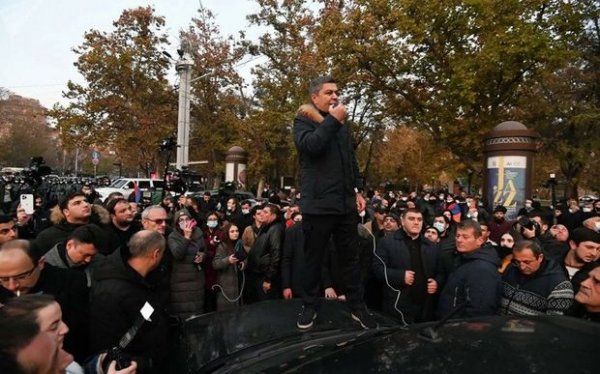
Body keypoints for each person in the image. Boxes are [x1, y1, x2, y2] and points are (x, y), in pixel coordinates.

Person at [293, 75, 375, 330]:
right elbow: (312, 146)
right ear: (315, 97)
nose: (335, 96)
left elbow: (350, 160)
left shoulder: (342, 125)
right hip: (318, 204)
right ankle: (310, 305)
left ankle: (357, 306)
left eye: (336, 92)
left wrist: (358, 190)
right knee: (313, 259)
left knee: (350, 258)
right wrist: (332, 121)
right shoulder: (302, 121)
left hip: (344, 204)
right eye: (329, 92)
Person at [90, 230, 170, 373]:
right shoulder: (111, 292)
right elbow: (107, 343)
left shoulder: (147, 278)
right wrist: (140, 363)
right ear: (156, 254)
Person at [0, 239, 90, 361]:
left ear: (40, 263)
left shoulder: (71, 283)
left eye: (21, 277)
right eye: (4, 279)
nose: (12, 286)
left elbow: (80, 334)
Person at [372, 208, 440, 323]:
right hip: (397, 307)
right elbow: (377, 269)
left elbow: (441, 271)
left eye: (419, 219)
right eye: (411, 219)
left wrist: (436, 282)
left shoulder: (430, 245)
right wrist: (400, 276)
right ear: (402, 221)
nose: (416, 222)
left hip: (425, 308)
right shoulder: (387, 242)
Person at [437, 220, 502, 319]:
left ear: (480, 240)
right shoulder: (463, 258)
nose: (459, 240)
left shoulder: (482, 269)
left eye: (465, 237)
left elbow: (480, 310)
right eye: (458, 236)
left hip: (460, 328)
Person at [500, 240, 573, 315]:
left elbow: (554, 322)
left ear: (540, 257)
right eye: (517, 262)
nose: (522, 267)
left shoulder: (559, 285)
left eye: (527, 262)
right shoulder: (511, 269)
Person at [34, 192, 110, 256]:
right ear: (66, 212)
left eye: (86, 201)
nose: (85, 205)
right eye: (77, 203)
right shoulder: (47, 237)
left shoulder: (103, 229)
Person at [167, 209, 206, 319]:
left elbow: (203, 249)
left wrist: (202, 256)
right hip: (181, 281)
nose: (184, 222)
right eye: (181, 220)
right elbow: (178, 254)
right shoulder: (173, 237)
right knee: (183, 312)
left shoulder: (198, 232)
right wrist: (186, 237)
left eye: (187, 219)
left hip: (197, 279)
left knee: (197, 312)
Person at [246, 204, 284, 303]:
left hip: (265, 278)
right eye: (261, 211)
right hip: (258, 275)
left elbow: (276, 254)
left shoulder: (276, 229)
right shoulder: (266, 227)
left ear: (274, 215)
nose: (262, 214)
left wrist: (268, 279)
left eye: (266, 212)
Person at [212, 223, 246, 311]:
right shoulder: (222, 246)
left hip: (238, 282)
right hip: (226, 284)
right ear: (227, 233)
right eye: (232, 231)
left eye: (237, 231)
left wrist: (244, 263)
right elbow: (215, 264)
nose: (236, 233)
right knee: (227, 313)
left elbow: (245, 257)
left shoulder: (239, 244)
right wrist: (228, 260)